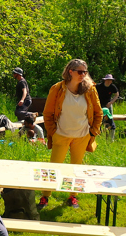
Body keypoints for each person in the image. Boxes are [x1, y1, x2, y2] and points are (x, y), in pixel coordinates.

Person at [40, 59, 103, 209]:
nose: (83, 75)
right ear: (70, 72)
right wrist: (53, 133)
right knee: (53, 168)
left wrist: (93, 132)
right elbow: (47, 113)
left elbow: (98, 113)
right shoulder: (57, 88)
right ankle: (45, 196)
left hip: (82, 136)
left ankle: (73, 196)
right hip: (61, 135)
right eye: (80, 72)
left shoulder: (90, 89)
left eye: (85, 72)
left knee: (76, 168)